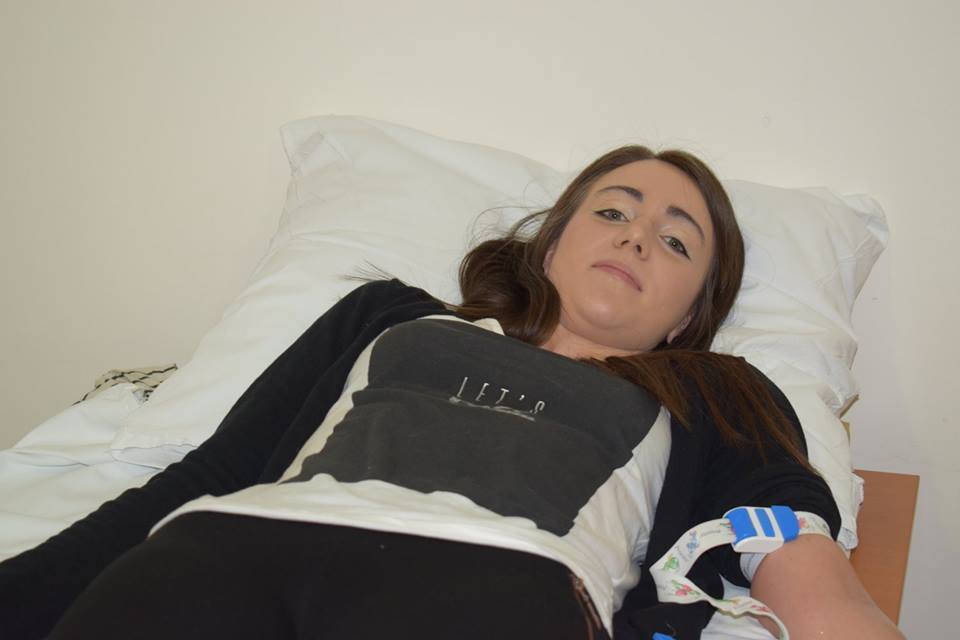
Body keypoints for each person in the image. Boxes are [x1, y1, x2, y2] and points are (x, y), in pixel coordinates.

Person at [0, 146, 902, 640]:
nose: (635, 238)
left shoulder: (721, 393)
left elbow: (809, 578)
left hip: (498, 584)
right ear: (552, 240)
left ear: (690, 313)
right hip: (229, 551)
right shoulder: (390, 317)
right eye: (613, 210)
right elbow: (209, 474)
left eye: (675, 242)